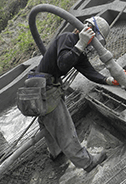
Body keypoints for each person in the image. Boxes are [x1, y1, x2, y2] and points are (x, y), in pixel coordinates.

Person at [28, 16, 119, 172]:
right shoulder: (67, 38)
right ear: (88, 33)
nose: (92, 45)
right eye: (93, 40)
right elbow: (63, 63)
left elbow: (90, 72)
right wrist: (81, 43)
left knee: (48, 122)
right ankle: (87, 163)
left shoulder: (78, 51)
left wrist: (109, 80)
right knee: (65, 129)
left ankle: (56, 153)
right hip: (44, 90)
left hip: (42, 86)